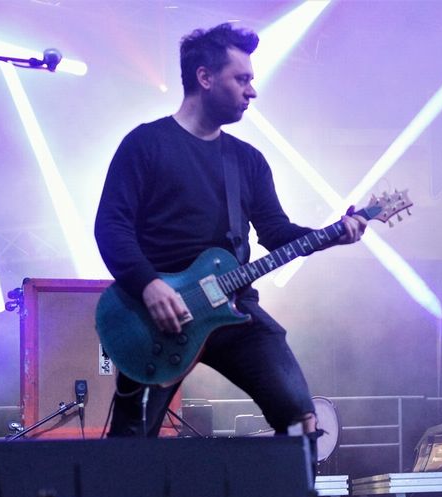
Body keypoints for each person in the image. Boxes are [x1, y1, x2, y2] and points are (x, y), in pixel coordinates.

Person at [93, 23, 366, 471]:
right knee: (130, 444)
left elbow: (276, 232)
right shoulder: (146, 144)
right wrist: (148, 286)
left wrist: (335, 232)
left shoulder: (246, 161)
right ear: (204, 77)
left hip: (233, 309)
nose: (251, 91)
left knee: (300, 418)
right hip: (158, 317)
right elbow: (111, 227)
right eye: (242, 79)